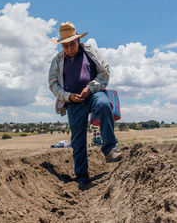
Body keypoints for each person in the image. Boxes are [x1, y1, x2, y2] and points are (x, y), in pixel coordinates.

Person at [48, 22, 122, 190]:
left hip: (93, 92)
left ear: (78, 41)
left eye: (71, 45)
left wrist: (90, 88)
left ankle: (110, 149)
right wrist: (69, 96)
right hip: (73, 102)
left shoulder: (90, 52)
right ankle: (82, 176)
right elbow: (53, 85)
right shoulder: (57, 61)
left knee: (104, 105)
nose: (68, 49)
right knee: (78, 139)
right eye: (64, 46)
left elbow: (105, 71)